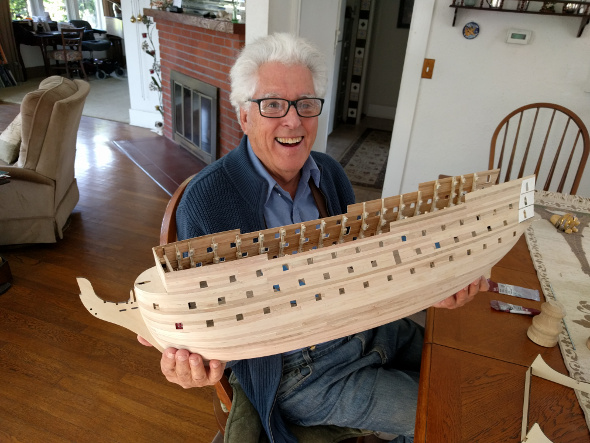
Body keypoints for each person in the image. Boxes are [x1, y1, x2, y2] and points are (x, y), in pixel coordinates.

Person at [138, 33, 488, 443]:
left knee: (462, 369)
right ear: (244, 116)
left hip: (365, 326)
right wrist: (187, 358)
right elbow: (196, 317)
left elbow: (360, 265)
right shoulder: (206, 202)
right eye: (272, 105)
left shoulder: (330, 174)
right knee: (445, 415)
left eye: (305, 104)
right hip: (298, 373)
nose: (293, 121)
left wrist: (429, 289)